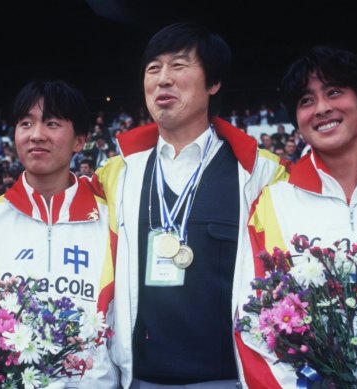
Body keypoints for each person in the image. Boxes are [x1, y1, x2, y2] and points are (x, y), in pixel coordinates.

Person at [88, 22, 288, 388]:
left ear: (213, 83)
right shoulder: (115, 175)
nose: (163, 79)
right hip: (139, 377)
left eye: (179, 66)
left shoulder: (262, 175)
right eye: (153, 69)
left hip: (229, 377)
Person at [234, 46, 357, 388]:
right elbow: (252, 325)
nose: (322, 108)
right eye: (306, 100)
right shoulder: (274, 204)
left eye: (334, 92)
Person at [0, 80, 117, 387]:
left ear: (79, 140)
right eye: (26, 123)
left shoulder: (111, 219)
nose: (36, 134)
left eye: (52, 123)